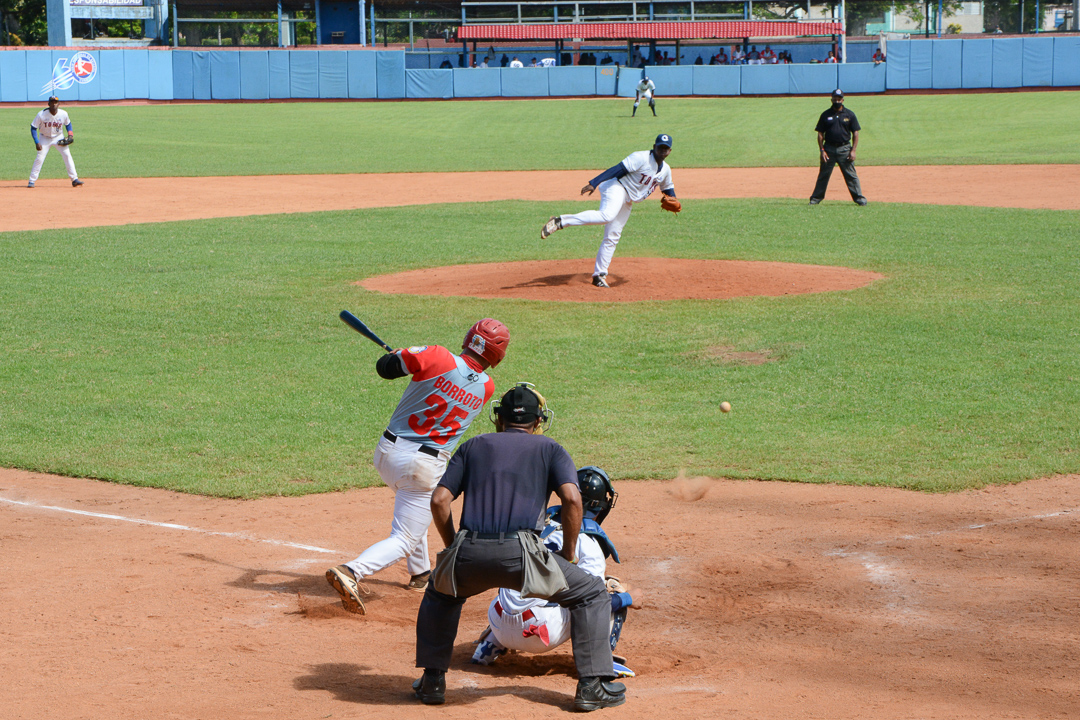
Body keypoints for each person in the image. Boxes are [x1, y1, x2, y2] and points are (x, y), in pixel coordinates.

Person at [413, 384, 627, 711]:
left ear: (498, 418)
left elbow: (440, 500)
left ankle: (432, 682)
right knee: (591, 593)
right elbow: (571, 499)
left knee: (440, 594)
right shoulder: (550, 449)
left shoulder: (472, 446)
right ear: (538, 420)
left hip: (469, 548)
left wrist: (455, 546)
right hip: (523, 554)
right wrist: (569, 553)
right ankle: (591, 686)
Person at [325, 319, 510, 615]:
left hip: (387, 453)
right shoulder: (487, 387)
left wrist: (402, 356)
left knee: (416, 512)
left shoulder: (434, 355)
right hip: (422, 467)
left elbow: (384, 368)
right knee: (405, 536)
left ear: (468, 338)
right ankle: (351, 571)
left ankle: (421, 573)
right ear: (496, 357)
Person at [471, 466, 638, 680]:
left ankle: (487, 646)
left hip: (498, 619)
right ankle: (600, 662)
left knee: (520, 581)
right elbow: (594, 602)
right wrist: (627, 598)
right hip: (540, 634)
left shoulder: (534, 523)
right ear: (601, 507)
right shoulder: (589, 545)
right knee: (607, 592)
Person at [540, 134, 677, 288]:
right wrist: (594, 182)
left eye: (666, 148)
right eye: (660, 147)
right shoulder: (641, 157)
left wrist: (674, 199)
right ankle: (560, 221)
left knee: (613, 235)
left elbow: (668, 188)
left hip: (628, 198)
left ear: (670, 151)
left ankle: (599, 275)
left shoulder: (665, 169)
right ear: (654, 147)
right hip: (616, 187)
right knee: (607, 215)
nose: (662, 151)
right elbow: (618, 169)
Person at [809, 89, 867, 207]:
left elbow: (855, 132)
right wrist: (822, 150)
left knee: (851, 175)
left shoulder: (849, 114)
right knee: (823, 175)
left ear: (843, 100)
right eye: (835, 99)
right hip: (828, 149)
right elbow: (820, 134)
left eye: (839, 99)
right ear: (831, 100)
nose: (837, 101)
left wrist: (853, 150)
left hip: (844, 149)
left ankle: (859, 199)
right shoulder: (825, 115)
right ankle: (815, 199)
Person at [29, 96, 83, 189]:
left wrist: (70, 135)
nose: (54, 104)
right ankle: (32, 180)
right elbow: (33, 128)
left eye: (56, 102)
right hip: (44, 138)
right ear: (48, 104)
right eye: (52, 102)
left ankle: (74, 179)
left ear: (59, 104)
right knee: (40, 158)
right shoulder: (41, 114)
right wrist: (36, 142)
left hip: (58, 137)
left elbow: (68, 124)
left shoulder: (63, 114)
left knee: (67, 155)